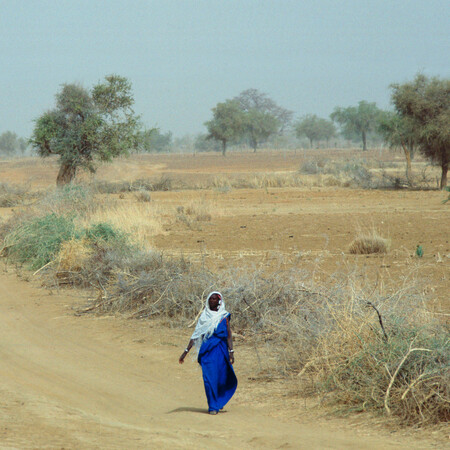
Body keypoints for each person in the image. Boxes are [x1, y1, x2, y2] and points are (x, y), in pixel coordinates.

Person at [179, 291, 237, 415]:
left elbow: (228, 335)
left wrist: (231, 351)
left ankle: (219, 400)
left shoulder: (224, 316)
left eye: (214, 299)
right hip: (207, 352)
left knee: (221, 378)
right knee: (209, 378)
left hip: (221, 351)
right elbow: (196, 335)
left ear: (219, 301)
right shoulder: (204, 317)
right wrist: (185, 352)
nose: (212, 301)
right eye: (210, 299)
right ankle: (212, 406)